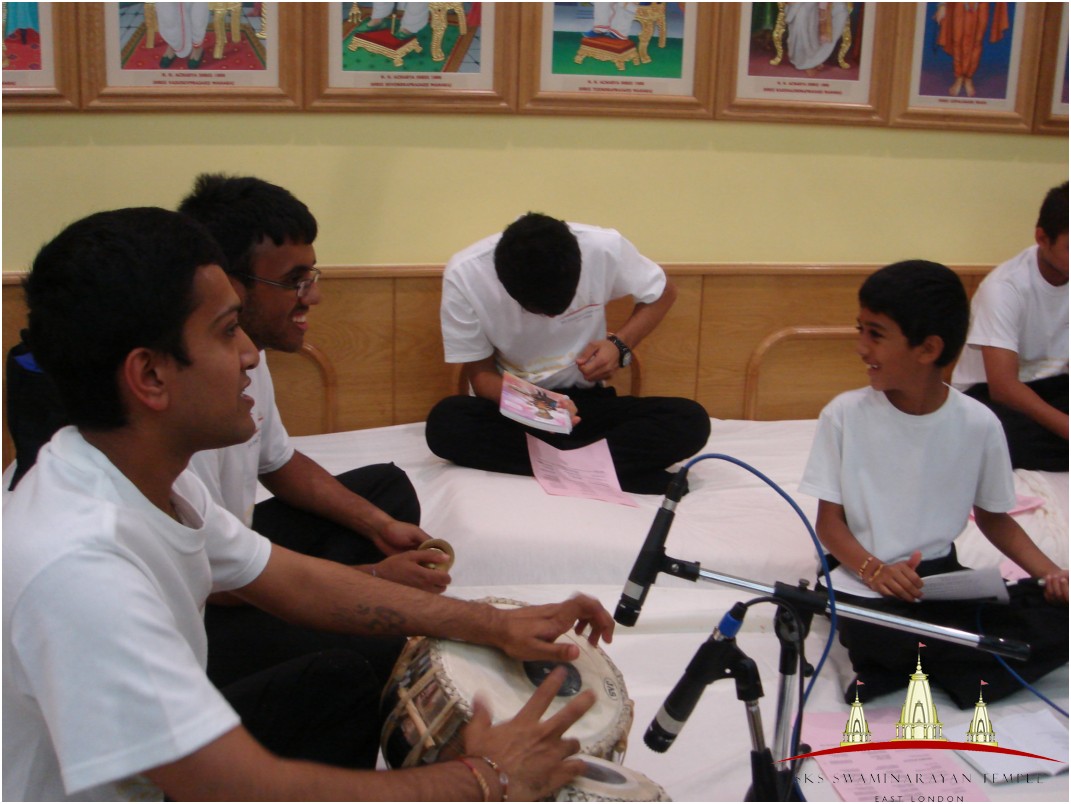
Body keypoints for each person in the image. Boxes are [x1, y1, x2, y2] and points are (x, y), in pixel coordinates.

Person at [2, 206, 615, 802]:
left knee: (338, 681)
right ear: (150, 377)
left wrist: (494, 622)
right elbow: (234, 787)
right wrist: (489, 779)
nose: (249, 354)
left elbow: (293, 582)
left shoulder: (152, 476)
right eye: (226, 331)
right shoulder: (80, 568)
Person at [177, 173, 445, 690]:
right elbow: (207, 576)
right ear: (228, 284)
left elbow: (276, 462)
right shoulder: (183, 393)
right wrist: (370, 582)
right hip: (206, 606)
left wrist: (378, 528)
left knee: (385, 492)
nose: (314, 296)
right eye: (296, 281)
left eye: (312, 276)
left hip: (234, 558)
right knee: (369, 650)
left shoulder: (247, 352)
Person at [799, 260, 1068, 709]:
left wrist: (1051, 574)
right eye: (860, 329)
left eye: (876, 334)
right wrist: (877, 570)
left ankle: (918, 666)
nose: (861, 347)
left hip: (939, 581)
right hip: (864, 581)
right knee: (877, 632)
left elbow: (995, 519)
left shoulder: (979, 424)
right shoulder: (844, 416)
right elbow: (830, 525)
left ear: (927, 349)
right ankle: (951, 665)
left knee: (1052, 618)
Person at [425, 212, 711, 496]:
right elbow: (481, 376)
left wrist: (620, 345)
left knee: (691, 420)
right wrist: (544, 409)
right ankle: (607, 470)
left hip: (586, 407)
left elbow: (663, 293)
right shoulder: (466, 274)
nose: (550, 319)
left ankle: (562, 466)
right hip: (519, 411)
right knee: (446, 422)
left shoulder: (603, 248)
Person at [951, 181, 1068, 472]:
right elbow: (1004, 387)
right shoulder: (1005, 287)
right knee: (996, 434)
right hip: (990, 393)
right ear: (1042, 238)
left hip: (1053, 385)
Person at [932, 2, 1009, 98]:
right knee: (957, 40)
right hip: (959, 4)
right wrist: (942, 5)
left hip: (981, 5)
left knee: (977, 41)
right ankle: (959, 76)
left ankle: (968, 77)